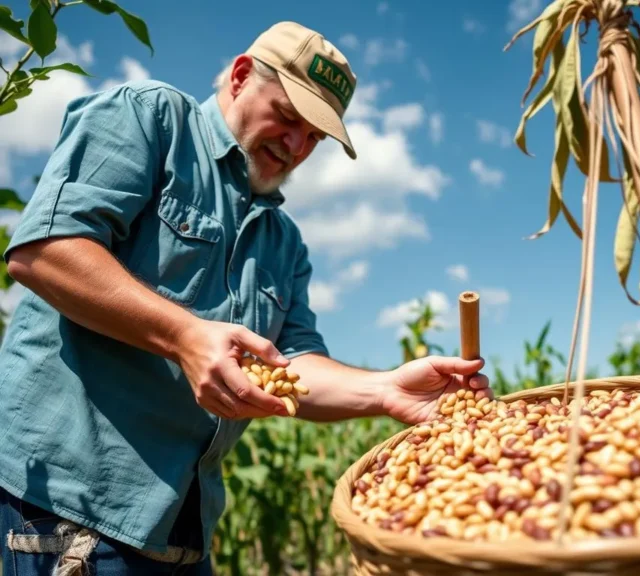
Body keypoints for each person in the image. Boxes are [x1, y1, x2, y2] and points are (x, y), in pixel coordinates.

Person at [0, 20, 490, 575]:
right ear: (239, 77)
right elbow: (46, 250)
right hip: (74, 512)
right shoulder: (152, 120)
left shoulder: (284, 244)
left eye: (315, 137)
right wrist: (186, 336)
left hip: (184, 530)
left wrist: (385, 389)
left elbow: (291, 366)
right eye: (287, 117)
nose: (297, 145)